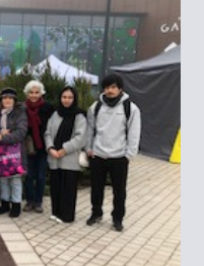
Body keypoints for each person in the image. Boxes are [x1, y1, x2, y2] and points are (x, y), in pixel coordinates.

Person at [86, 73, 142, 232]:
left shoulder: (130, 108)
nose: (109, 91)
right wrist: (89, 149)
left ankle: (117, 219)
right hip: (98, 155)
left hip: (119, 158)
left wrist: (129, 155)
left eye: (113, 87)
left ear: (120, 89)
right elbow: (90, 129)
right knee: (96, 189)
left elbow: (134, 132)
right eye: (107, 87)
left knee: (119, 191)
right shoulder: (95, 107)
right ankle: (96, 213)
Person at [46, 85, 87, 224]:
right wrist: (50, 148)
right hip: (54, 157)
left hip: (69, 158)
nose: (67, 100)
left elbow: (80, 137)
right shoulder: (55, 114)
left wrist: (64, 149)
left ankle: (67, 216)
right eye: (64, 97)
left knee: (68, 188)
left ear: (74, 99)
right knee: (56, 185)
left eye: (70, 97)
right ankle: (56, 212)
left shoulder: (79, 116)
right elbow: (48, 133)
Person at [0, 87, 28, 218]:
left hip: (16, 151)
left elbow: (21, 132)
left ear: (14, 100)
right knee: (3, 178)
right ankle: (5, 203)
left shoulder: (20, 113)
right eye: (4, 98)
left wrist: (4, 136)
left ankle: (16, 205)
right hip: (0, 150)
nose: (7, 100)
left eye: (10, 98)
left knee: (15, 178)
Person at [23, 80, 54, 213]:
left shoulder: (48, 108)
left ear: (41, 93)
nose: (34, 95)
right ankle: (29, 201)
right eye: (31, 92)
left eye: (37, 92)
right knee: (29, 176)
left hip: (42, 147)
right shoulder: (22, 107)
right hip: (28, 147)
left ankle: (38, 201)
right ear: (27, 93)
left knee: (41, 176)